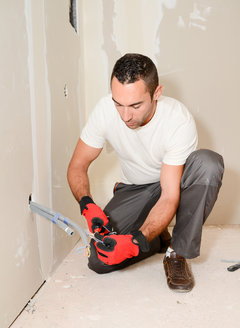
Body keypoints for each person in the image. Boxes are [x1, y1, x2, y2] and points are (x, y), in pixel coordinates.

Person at [67, 53, 224, 292]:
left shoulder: (177, 119)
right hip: (134, 189)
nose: (125, 116)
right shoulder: (103, 110)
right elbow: (77, 166)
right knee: (100, 260)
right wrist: (87, 205)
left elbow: (169, 196)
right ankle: (156, 237)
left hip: (173, 183)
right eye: (118, 103)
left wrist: (135, 242)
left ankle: (176, 253)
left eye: (135, 105)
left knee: (208, 164)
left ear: (156, 93)